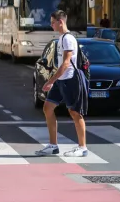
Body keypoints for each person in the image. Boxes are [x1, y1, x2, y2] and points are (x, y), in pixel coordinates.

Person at [36, 10, 89, 158]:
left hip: (70, 79)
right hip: (61, 80)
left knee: (75, 112)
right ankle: (53, 146)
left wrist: (50, 80)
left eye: (53, 22)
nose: (51, 25)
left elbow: (66, 63)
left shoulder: (68, 39)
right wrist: (55, 81)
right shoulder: (61, 39)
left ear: (61, 22)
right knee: (47, 108)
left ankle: (82, 147)